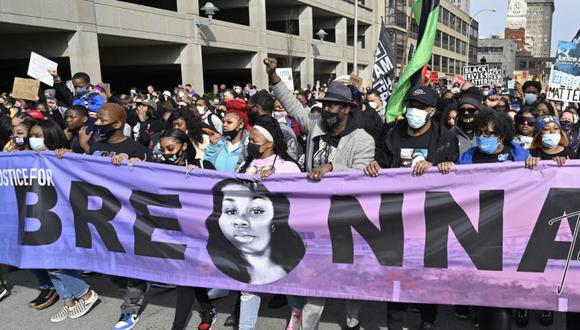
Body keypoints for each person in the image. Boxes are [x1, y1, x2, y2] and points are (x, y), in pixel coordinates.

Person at [265, 58, 374, 330]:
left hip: (345, 218)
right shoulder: (316, 125)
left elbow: (362, 175)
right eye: (324, 104)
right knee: (316, 275)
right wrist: (274, 76)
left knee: (349, 275)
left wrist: (331, 167)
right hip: (312, 216)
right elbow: (294, 107)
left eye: (332, 105)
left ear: (347, 110)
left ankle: (352, 321)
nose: (326, 109)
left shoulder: (362, 139)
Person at [364, 86, 457, 330]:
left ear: (432, 111)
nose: (413, 111)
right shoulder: (392, 133)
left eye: (420, 107)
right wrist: (375, 165)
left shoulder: (445, 137)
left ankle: (428, 320)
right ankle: (395, 322)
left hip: (431, 218)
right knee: (397, 272)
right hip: (397, 215)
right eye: (411, 105)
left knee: (428, 273)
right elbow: (381, 163)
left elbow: (457, 175)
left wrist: (438, 165)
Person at [206, 177, 305, 330]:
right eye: (231, 211)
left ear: (277, 216)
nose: (240, 221)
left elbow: (299, 192)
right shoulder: (245, 163)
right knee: (248, 289)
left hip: (285, 255)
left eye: (257, 211)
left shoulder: (288, 167)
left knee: (290, 283)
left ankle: (296, 313)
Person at [145, 128, 218, 330]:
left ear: (184, 146)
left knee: (185, 279)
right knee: (186, 277)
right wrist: (130, 164)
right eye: (163, 150)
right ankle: (207, 309)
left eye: (171, 148)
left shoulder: (204, 165)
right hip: (173, 233)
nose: (166, 154)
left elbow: (220, 191)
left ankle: (179, 326)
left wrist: (201, 176)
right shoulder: (159, 168)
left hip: (199, 233)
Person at [247, 90, 298, 161]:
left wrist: (274, 165)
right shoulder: (252, 130)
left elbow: (293, 157)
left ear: (256, 108)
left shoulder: (284, 130)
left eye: (249, 106)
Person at [453, 88, 484, 155]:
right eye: (462, 110)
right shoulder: (449, 135)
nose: (466, 113)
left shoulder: (487, 134)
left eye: (471, 110)